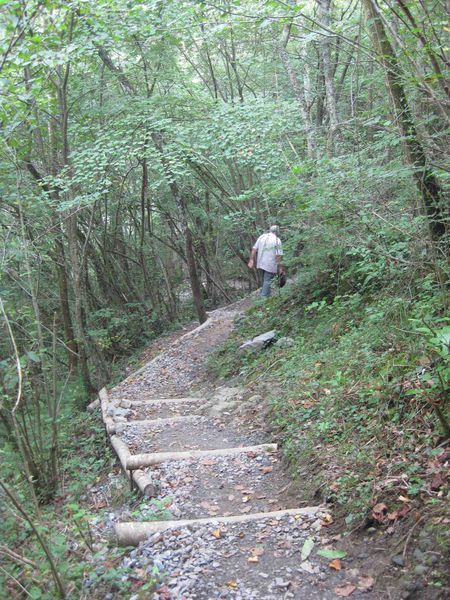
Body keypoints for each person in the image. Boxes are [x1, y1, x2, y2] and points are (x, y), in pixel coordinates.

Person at [248, 225, 284, 297]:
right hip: (270, 264)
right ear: (277, 232)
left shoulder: (262, 237)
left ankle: (267, 297)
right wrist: (280, 268)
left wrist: (251, 260)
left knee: (264, 282)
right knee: (267, 281)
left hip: (260, 263)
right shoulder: (277, 240)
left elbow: (254, 249)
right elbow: (278, 256)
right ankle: (263, 298)